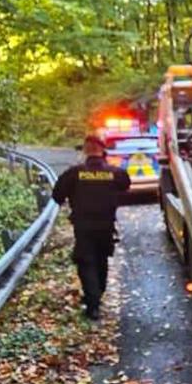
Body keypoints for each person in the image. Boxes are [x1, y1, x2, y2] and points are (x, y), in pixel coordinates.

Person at [52, 136, 131, 319]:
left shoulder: (74, 173)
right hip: (105, 225)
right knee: (101, 261)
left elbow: (57, 195)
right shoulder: (114, 172)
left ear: (85, 151)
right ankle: (98, 295)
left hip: (83, 226)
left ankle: (92, 304)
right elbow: (126, 185)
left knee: (86, 262)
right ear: (103, 150)